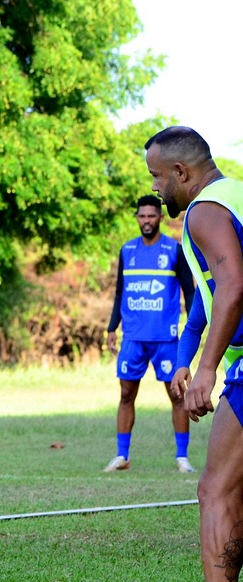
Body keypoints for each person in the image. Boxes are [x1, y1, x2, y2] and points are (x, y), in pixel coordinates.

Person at [145, 126, 243, 582]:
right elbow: (210, 298)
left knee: (216, 489)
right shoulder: (234, 195)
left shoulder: (203, 213)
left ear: (181, 172)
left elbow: (235, 287)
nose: (156, 190)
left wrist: (206, 370)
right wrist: (185, 357)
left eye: (157, 177)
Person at [104, 195, 195, 474]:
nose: (146, 221)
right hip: (132, 337)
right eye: (142, 216)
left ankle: (182, 458)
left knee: (177, 397)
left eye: (151, 216)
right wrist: (111, 327)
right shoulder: (127, 250)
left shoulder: (174, 250)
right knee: (126, 394)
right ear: (137, 218)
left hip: (165, 338)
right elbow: (120, 291)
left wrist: (195, 325)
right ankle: (122, 456)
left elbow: (189, 290)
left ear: (160, 218)